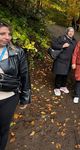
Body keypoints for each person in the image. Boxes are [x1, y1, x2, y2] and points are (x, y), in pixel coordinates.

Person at [0, 22, 31, 150]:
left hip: (8, 98)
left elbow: (25, 76)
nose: (8, 37)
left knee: (2, 129)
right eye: (2, 34)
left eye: (9, 34)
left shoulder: (17, 52)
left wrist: (25, 98)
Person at [52, 27, 77, 96]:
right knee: (59, 74)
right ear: (67, 32)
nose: (71, 33)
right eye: (70, 31)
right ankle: (57, 88)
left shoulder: (74, 41)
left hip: (68, 61)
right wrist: (62, 46)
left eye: (72, 31)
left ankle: (63, 86)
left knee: (65, 74)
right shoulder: (62, 38)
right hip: (61, 59)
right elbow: (53, 45)